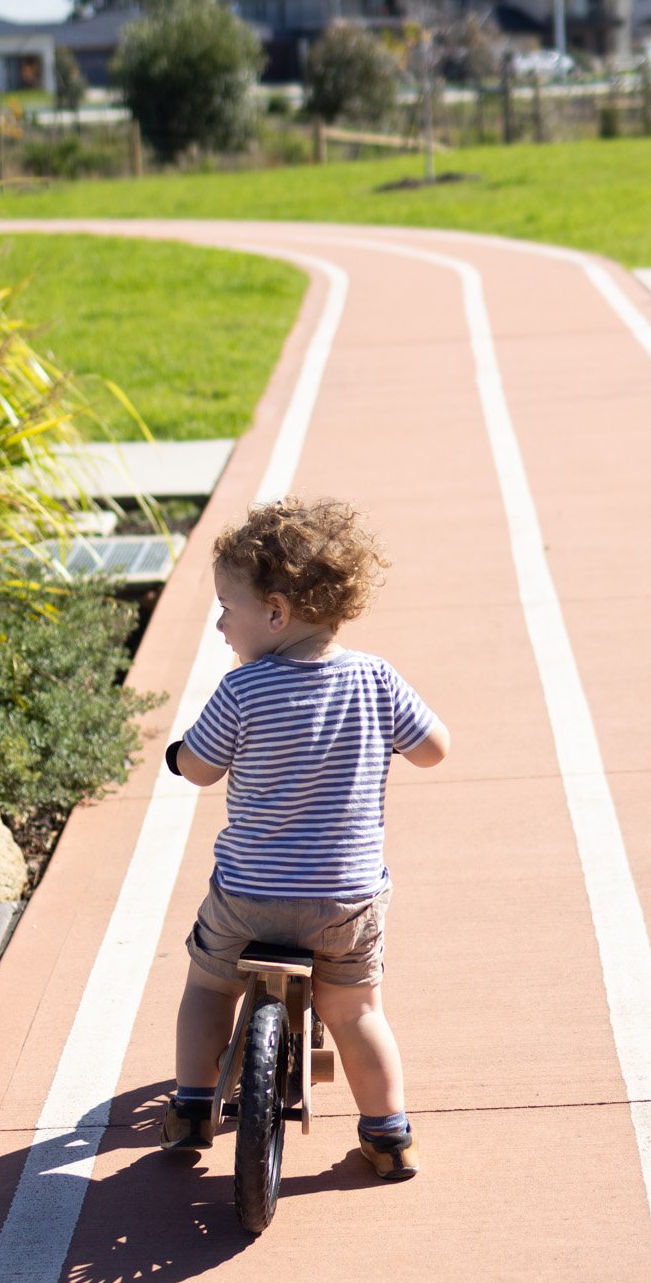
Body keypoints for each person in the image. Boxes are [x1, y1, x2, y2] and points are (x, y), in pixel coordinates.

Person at [161, 497, 449, 1180]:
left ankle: (195, 1105)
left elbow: (200, 770)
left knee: (208, 985)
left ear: (276, 613)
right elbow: (434, 749)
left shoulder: (242, 691)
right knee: (355, 1012)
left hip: (251, 899)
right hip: (344, 903)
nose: (219, 621)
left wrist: (177, 756)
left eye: (227, 606)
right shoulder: (376, 679)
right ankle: (388, 1134)